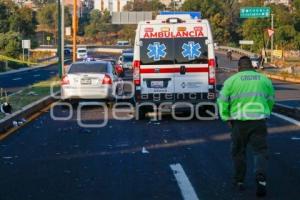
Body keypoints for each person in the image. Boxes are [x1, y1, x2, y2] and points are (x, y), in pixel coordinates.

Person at [217, 56, 275, 197]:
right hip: (258, 121)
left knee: (238, 151)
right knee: (260, 151)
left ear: (238, 68)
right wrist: (266, 112)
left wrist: (225, 117)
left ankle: (239, 181)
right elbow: (271, 99)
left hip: (239, 122)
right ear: (252, 66)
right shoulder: (264, 79)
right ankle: (260, 177)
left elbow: (222, 101)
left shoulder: (231, 81)